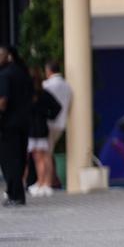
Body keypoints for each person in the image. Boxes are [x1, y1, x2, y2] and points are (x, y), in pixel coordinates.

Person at [0, 46, 32, 207]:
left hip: (8, 125)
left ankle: (15, 194)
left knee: (9, 161)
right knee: (19, 159)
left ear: (6, 57)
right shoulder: (22, 73)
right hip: (24, 122)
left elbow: (3, 101)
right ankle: (18, 194)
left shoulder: (5, 75)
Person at [26, 70, 61, 198]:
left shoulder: (31, 95)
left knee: (39, 157)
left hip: (35, 130)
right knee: (43, 156)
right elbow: (57, 107)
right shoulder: (43, 94)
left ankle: (43, 183)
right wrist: (48, 115)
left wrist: (47, 115)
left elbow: (56, 108)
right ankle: (44, 183)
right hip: (40, 128)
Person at [42, 60, 72, 190]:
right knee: (50, 152)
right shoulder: (67, 86)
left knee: (45, 154)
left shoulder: (46, 85)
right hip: (61, 123)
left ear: (48, 71)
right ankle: (54, 180)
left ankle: (47, 183)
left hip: (48, 123)